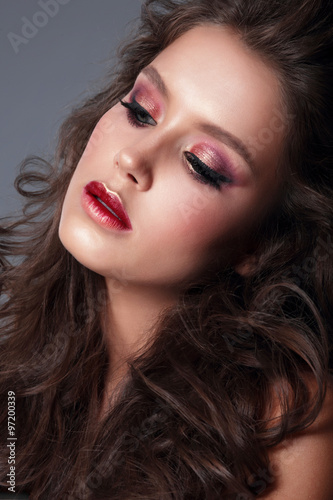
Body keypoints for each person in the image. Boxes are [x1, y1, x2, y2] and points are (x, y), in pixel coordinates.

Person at [1, 0, 333, 498]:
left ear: (263, 246)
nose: (132, 158)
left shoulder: (286, 427)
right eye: (139, 110)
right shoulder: (23, 368)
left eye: (201, 164)